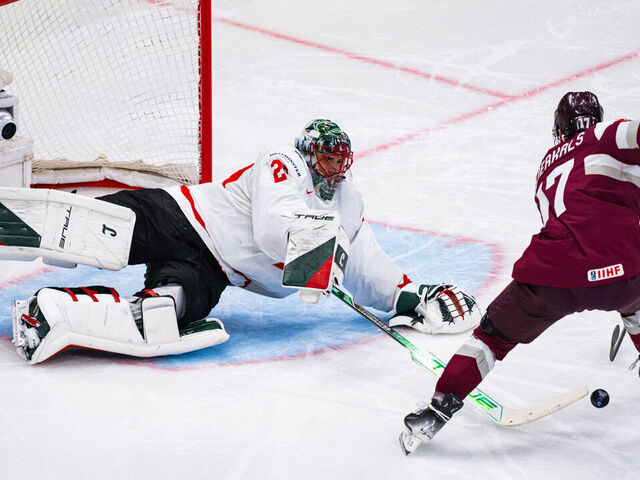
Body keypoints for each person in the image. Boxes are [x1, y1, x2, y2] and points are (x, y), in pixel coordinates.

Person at [7, 119, 482, 364]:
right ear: (308, 153)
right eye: (328, 159)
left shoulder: (346, 202)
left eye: (343, 162)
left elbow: (363, 264)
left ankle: (48, 314)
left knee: (162, 313)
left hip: (214, 272)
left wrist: (412, 297)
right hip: (179, 216)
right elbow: (273, 230)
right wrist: (318, 254)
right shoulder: (284, 162)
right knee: (88, 225)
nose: (337, 171)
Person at [399, 92, 640, 455]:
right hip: (626, 271)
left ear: (559, 130)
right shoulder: (612, 134)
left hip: (556, 273)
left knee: (491, 338)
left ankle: (436, 412)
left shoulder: (546, 164)